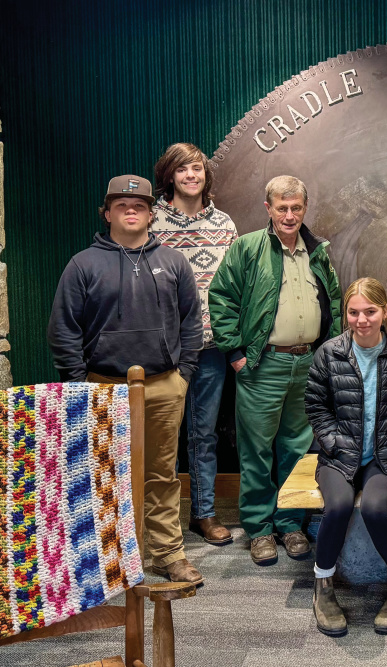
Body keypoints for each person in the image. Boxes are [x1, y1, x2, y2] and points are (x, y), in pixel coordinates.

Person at [48, 175, 204, 585]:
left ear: (151, 213)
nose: (130, 210)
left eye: (138, 205)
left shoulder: (173, 261)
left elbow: (191, 322)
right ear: (107, 213)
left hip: (164, 385)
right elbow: (63, 330)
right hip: (103, 386)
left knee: (161, 473)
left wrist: (183, 374)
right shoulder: (83, 264)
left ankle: (167, 553)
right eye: (121, 204)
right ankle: (113, 559)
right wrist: (80, 384)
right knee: (105, 475)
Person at [208, 175, 342, 565]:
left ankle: (290, 524)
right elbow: (222, 297)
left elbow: (332, 301)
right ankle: (259, 529)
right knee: (256, 452)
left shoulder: (316, 251)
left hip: (307, 363)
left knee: (296, 450)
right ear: (268, 209)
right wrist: (235, 352)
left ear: (304, 208)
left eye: (296, 207)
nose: (289, 215)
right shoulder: (247, 248)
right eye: (281, 208)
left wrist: (328, 354)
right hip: (263, 363)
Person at [304, 278, 387, 637]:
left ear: (385, 312)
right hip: (339, 456)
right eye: (354, 312)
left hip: (385, 457)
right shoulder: (330, 353)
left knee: (373, 507)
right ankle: (323, 588)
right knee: (337, 506)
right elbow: (315, 405)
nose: (361, 319)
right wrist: (334, 441)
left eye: (370, 311)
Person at [153, 142, 238, 546]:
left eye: (197, 169)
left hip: (211, 349)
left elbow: (236, 287)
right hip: (162, 351)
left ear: (206, 175)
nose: (191, 175)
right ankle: (157, 524)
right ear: (169, 175)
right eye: (182, 169)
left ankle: (202, 515)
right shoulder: (150, 222)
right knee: (160, 436)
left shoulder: (224, 224)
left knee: (204, 434)